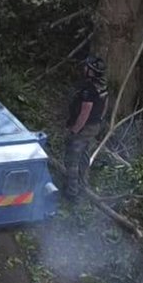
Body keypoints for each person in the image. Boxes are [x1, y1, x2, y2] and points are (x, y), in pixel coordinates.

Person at [63, 55, 108, 200]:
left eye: (86, 67)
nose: (84, 69)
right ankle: (83, 185)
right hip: (95, 126)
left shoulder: (89, 90)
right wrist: (99, 120)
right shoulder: (102, 86)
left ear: (91, 71)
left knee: (73, 159)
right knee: (84, 155)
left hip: (84, 128)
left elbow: (85, 112)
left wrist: (75, 130)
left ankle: (72, 192)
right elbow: (105, 105)